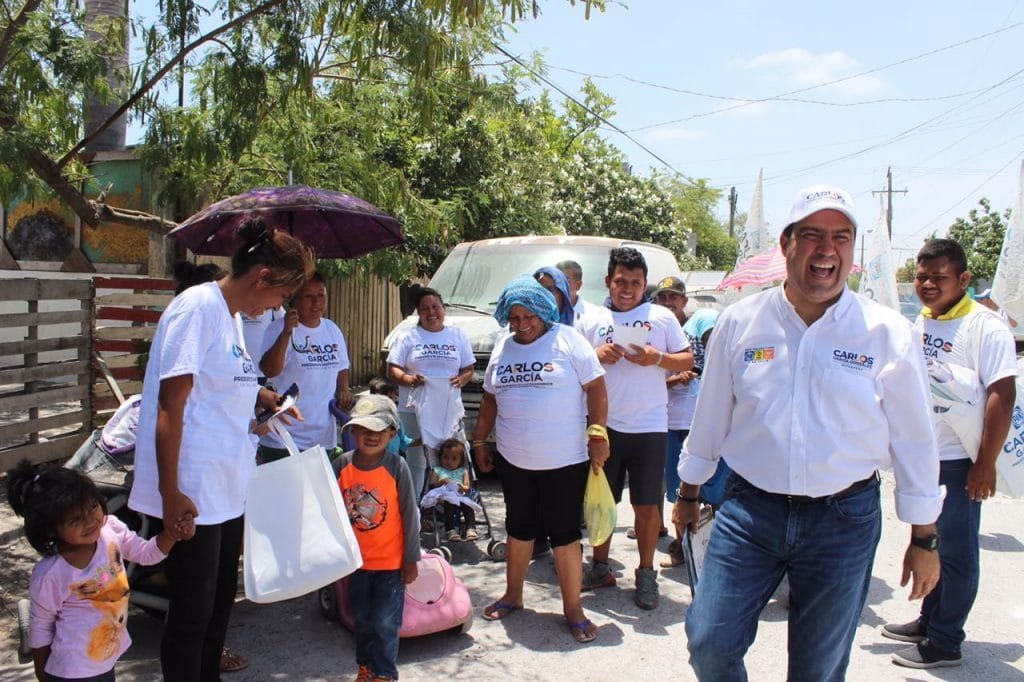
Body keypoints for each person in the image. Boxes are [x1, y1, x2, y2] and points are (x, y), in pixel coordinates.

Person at [674, 184, 944, 681]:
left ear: (852, 250)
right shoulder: (740, 323)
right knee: (709, 643)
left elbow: (915, 440)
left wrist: (924, 538)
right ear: (786, 243)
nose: (827, 249)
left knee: (817, 670)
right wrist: (689, 491)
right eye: (813, 234)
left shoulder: (885, 332)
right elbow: (710, 416)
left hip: (843, 519)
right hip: (749, 510)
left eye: (841, 237)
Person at [128, 217, 315, 681]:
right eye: (281, 295)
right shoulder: (197, 308)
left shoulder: (231, 317)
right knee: (191, 614)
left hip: (228, 485)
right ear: (263, 278)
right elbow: (171, 407)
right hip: (194, 488)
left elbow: (225, 384)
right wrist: (170, 494)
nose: (278, 306)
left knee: (217, 609)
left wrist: (265, 401)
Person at [882, 239, 1017, 669]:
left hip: (960, 461)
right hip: (925, 456)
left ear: (963, 280)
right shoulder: (918, 323)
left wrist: (985, 464)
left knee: (956, 552)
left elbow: (1002, 393)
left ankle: (945, 641)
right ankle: (930, 619)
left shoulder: (985, 326)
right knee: (929, 542)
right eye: (921, 277)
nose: (926, 285)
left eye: (938, 278)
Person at [472, 275, 609, 643]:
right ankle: (513, 595)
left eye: (527, 316)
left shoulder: (568, 340)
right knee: (518, 528)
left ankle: (574, 610)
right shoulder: (504, 347)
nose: (521, 325)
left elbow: (596, 388)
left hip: (564, 459)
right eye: (513, 319)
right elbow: (488, 398)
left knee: (565, 534)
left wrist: (599, 433)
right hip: (515, 459)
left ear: (543, 310)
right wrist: (480, 440)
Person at [576, 247, 692, 610]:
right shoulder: (589, 319)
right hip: (603, 427)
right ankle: (600, 567)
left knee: (646, 506)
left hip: (649, 427)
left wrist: (656, 358)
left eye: (636, 283)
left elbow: (687, 358)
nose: (628, 289)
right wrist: (595, 356)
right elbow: (572, 365)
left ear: (645, 285)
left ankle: (645, 575)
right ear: (609, 280)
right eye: (621, 281)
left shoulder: (661, 317)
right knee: (601, 503)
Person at [6, 461, 192, 682]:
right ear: (49, 528)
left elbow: (146, 553)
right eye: (76, 519)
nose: (90, 521)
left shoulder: (110, 530)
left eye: (93, 507)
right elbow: (40, 626)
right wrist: (42, 673)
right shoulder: (51, 574)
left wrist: (171, 534)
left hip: (106, 658)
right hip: (72, 671)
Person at [335, 394, 421, 682]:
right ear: (353, 432)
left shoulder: (397, 467)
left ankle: (385, 672)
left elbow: (410, 516)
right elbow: (328, 510)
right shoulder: (341, 465)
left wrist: (411, 559)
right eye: (364, 430)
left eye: (379, 430)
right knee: (362, 620)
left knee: (385, 622)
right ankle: (366, 667)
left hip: (391, 565)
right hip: (356, 564)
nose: (371, 436)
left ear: (392, 433)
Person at [386, 285, 475, 499]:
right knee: (417, 460)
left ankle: (457, 506)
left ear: (443, 309)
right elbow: (392, 369)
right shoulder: (408, 336)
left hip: (447, 408)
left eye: (436, 306)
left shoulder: (457, 335)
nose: (431, 312)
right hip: (414, 408)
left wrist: (462, 379)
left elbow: (468, 368)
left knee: (457, 457)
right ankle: (416, 509)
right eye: (425, 308)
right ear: (418, 312)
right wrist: (409, 379)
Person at [257, 272, 355, 462]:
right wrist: (286, 333)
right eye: (308, 296)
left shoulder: (332, 329)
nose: (316, 302)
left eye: (321, 295)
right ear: (294, 300)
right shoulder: (277, 329)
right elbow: (269, 370)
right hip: (283, 437)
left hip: (322, 437)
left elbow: (341, 367)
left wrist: (343, 389)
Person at [661, 307, 720, 568]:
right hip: (674, 423)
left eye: (673, 297)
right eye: (663, 297)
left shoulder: (705, 320)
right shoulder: (667, 335)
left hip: (706, 424)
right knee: (678, 490)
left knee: (715, 491)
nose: (709, 341)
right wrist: (676, 379)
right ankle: (683, 547)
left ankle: (713, 549)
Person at [423, 437, 480, 542]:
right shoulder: (438, 470)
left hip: (460, 495)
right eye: (445, 457)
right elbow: (432, 484)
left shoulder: (463, 471)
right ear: (440, 457)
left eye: (454, 459)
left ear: (460, 461)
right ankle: (450, 530)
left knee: (467, 503)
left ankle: (470, 528)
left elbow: (467, 487)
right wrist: (442, 481)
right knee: (449, 502)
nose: (449, 461)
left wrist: (461, 487)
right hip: (445, 497)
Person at [368, 377, 415, 458]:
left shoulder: (396, 419)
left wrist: (423, 441)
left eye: (391, 398)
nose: (388, 402)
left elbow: (403, 442)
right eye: (383, 397)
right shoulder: (366, 419)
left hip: (392, 464)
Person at [556, 259, 602, 327]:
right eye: (556, 280)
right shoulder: (543, 314)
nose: (558, 285)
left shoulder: (595, 317)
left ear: (578, 285)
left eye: (566, 280)